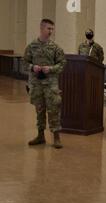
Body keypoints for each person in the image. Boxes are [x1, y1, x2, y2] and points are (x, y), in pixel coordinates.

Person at [24, 19, 66, 149]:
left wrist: (51, 69)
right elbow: (24, 62)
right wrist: (32, 67)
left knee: (54, 109)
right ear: (41, 28)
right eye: (48, 29)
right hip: (36, 84)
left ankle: (56, 137)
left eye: (52, 29)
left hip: (50, 84)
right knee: (39, 110)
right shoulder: (31, 46)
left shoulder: (56, 48)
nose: (51, 31)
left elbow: (62, 63)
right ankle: (40, 136)